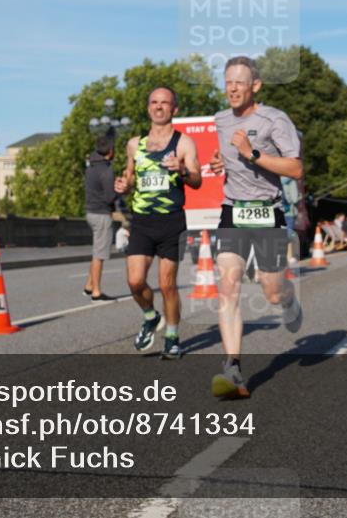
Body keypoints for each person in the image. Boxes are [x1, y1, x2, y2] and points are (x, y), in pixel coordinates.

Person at [208, 56, 304, 399]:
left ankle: (290, 299)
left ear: (255, 86)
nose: (232, 88)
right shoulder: (219, 120)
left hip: (267, 212)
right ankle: (232, 368)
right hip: (233, 210)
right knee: (228, 284)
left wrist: (252, 154)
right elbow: (227, 159)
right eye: (228, 82)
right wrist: (221, 162)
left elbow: (294, 169)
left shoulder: (274, 120)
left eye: (239, 82)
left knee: (272, 291)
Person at [114, 87, 202, 360]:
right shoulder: (134, 144)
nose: (159, 107)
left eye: (165, 103)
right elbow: (130, 178)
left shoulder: (183, 143)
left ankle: (173, 336)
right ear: (148, 107)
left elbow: (197, 180)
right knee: (135, 280)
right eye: (154, 102)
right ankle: (151, 317)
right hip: (141, 221)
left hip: (172, 222)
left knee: (167, 285)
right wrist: (124, 185)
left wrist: (183, 170)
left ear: (174, 109)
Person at [84, 134, 117, 301]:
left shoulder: (91, 167)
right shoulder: (106, 170)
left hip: (90, 212)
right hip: (102, 214)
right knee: (100, 254)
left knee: (96, 251)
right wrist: (119, 189)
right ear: (110, 151)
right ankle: (96, 291)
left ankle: (89, 285)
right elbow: (110, 197)